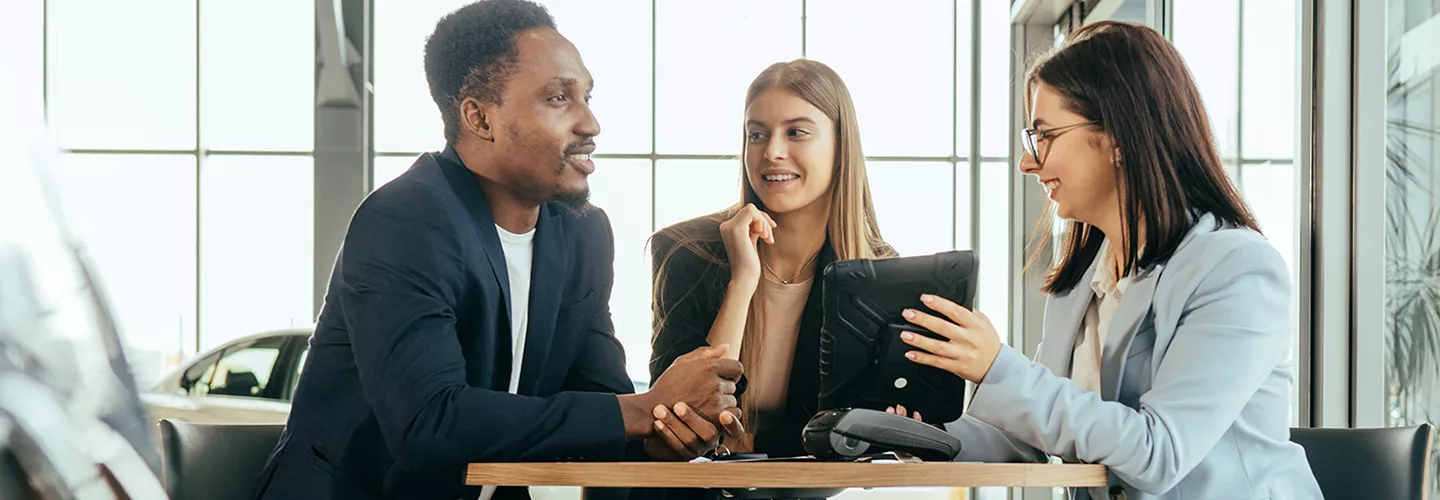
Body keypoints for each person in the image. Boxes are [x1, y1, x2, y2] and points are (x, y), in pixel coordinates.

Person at [253, 1, 741, 499]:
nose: (590, 124)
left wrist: (662, 428)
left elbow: (600, 404)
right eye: (558, 98)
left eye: (587, 97)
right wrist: (639, 411)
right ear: (479, 117)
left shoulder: (581, 233)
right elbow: (430, 424)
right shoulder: (405, 220)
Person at [885, 21, 1322, 500]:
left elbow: (1159, 454)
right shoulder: (1085, 282)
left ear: (1116, 135)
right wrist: (921, 434)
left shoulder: (1238, 270)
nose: (1027, 163)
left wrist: (999, 367)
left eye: (1044, 136)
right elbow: (1025, 437)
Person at [645, 59, 896, 464]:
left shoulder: (878, 274)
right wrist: (742, 282)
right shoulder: (686, 252)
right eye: (756, 134)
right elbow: (684, 423)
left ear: (840, 145)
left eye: (796, 132)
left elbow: (862, 436)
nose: (772, 152)